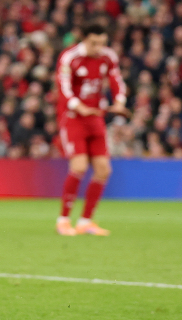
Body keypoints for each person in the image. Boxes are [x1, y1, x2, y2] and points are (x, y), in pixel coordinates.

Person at [55, 23, 128, 236]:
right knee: (79, 166)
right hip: (73, 118)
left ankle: (85, 221)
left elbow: (116, 80)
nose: (98, 48)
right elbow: (63, 88)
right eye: (94, 43)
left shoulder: (108, 56)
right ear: (84, 39)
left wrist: (119, 102)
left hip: (95, 117)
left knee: (103, 170)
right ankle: (63, 220)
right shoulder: (69, 57)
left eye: (102, 43)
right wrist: (79, 107)